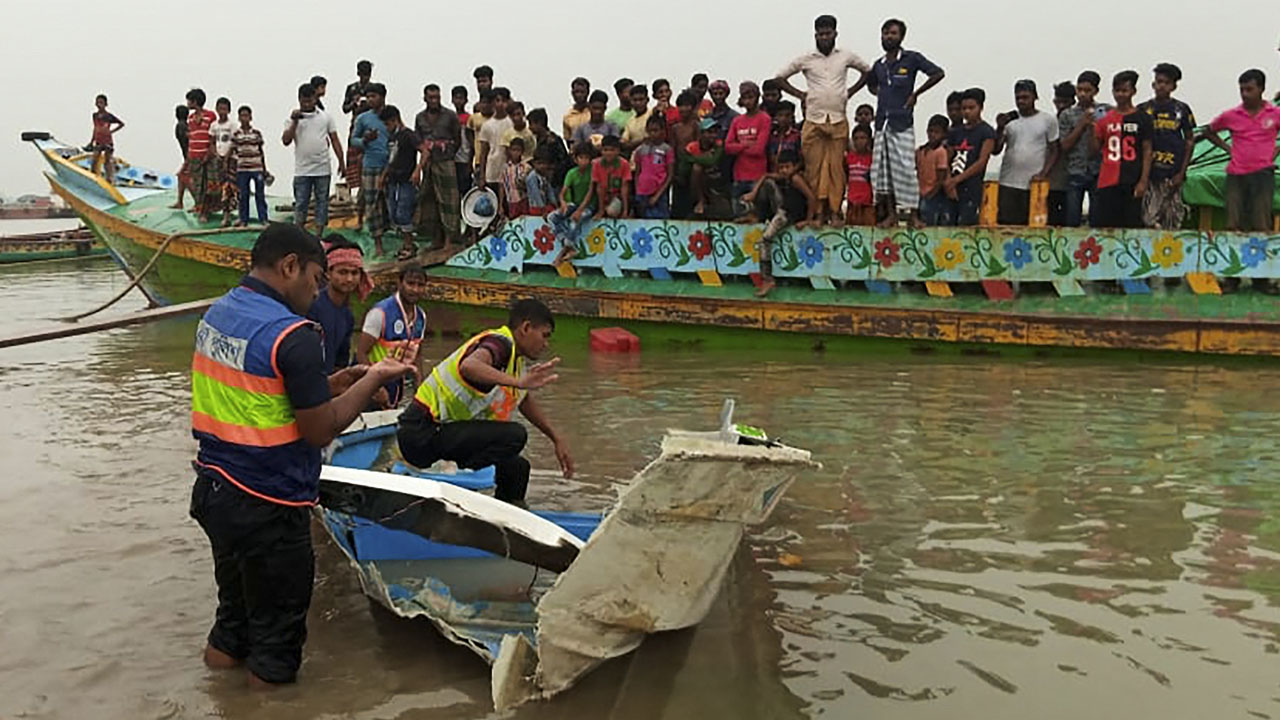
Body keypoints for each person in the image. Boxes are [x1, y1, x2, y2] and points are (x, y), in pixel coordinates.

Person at [190, 223, 414, 687]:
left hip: (215, 489)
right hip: (269, 505)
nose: (317, 292)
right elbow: (320, 430)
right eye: (315, 279)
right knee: (274, 648)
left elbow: (257, 391)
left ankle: (216, 698)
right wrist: (373, 380)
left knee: (231, 626)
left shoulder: (219, 312)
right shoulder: (293, 334)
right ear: (289, 266)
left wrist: (330, 383)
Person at [396, 298, 573, 506]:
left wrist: (556, 438)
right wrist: (518, 381)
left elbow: (524, 401)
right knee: (515, 435)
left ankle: (507, 514)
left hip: (441, 433)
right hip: (421, 433)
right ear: (526, 328)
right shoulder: (500, 344)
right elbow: (469, 366)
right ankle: (457, 470)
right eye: (544, 336)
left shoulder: (515, 360)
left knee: (518, 466)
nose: (546, 344)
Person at [776, 14, 871, 226]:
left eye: (828, 33)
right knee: (814, 169)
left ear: (835, 34)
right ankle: (817, 214)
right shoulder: (806, 58)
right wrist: (802, 95)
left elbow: (867, 71)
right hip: (814, 119)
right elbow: (779, 78)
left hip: (838, 118)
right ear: (815, 35)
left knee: (836, 168)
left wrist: (850, 92)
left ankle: (835, 212)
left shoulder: (845, 56)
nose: (824, 38)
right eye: (820, 34)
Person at [861, 18, 944, 228]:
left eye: (893, 33)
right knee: (884, 170)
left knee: (907, 168)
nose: (888, 36)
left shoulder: (911, 58)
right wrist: (881, 95)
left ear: (901, 36)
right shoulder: (878, 65)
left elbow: (937, 73)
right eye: (885, 33)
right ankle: (891, 215)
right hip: (882, 123)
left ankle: (914, 215)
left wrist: (916, 94)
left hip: (902, 121)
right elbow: (871, 84)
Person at [1205, 69, 1280, 232]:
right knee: (1233, 222)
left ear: (1261, 89)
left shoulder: (1275, 114)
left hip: (1263, 172)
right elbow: (1209, 131)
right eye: (1242, 90)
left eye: (1249, 89)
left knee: (1261, 222)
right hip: (1236, 173)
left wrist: (1274, 153)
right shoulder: (1231, 115)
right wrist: (1228, 149)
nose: (1245, 94)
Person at [742, 150, 817, 296]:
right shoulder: (787, 177)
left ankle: (767, 279)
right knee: (768, 183)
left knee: (764, 241)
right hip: (783, 211)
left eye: (787, 167)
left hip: (787, 215)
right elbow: (766, 176)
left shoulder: (796, 178)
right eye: (781, 167)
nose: (783, 171)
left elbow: (811, 198)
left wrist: (808, 220)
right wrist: (753, 193)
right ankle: (759, 216)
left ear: (794, 167)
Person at [357, 266, 428, 408]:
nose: (415, 289)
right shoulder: (380, 312)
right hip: (368, 382)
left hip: (396, 383)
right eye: (410, 283)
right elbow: (361, 353)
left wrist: (419, 386)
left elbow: (417, 355)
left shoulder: (421, 317)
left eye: (420, 285)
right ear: (400, 283)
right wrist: (375, 387)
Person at [1090, 70, 1153, 229]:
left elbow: (1147, 150)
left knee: (1131, 225)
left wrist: (1143, 181)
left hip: (1132, 177)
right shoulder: (1104, 119)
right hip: (1108, 179)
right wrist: (1091, 128)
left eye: (1124, 91)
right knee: (1106, 225)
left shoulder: (1143, 118)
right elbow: (1094, 150)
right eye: (1117, 91)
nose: (1121, 95)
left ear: (1133, 92)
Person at [1138, 63, 1197, 229]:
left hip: (1173, 174)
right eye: (1158, 81)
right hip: (1150, 174)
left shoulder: (1182, 110)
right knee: (1148, 218)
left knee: (1172, 220)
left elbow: (1190, 140)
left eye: (1166, 82)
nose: (1161, 86)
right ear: (1153, 84)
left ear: (1173, 86)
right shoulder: (1143, 109)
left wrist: (1182, 172)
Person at [994, 80, 1060, 226]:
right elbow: (996, 150)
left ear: (1035, 97)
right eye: (1018, 98)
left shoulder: (1047, 120)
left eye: (1025, 97)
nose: (1021, 101)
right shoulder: (1010, 120)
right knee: (1007, 224)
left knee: (1032, 225)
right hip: (1008, 181)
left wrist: (1043, 174)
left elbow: (1055, 150)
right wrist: (999, 128)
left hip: (1033, 183)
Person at [283, 83, 346, 233]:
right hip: (302, 170)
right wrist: (294, 122)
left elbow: (335, 140)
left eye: (309, 100)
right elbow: (286, 140)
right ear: (299, 99)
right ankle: (299, 233)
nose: (306, 104)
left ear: (314, 99)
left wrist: (342, 162)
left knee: (322, 202)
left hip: (322, 167)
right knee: (301, 203)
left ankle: (319, 234)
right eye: (303, 101)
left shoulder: (325, 117)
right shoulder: (292, 119)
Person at [306, 237, 372, 375]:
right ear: (328, 273)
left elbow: (340, 362)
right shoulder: (312, 306)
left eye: (354, 273)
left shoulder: (348, 315)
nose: (349, 279)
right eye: (342, 272)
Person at [412, 84, 462, 251]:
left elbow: (457, 139)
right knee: (430, 201)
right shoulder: (419, 118)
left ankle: (449, 240)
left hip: (446, 162)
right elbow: (418, 140)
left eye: (437, 98)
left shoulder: (450, 116)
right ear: (425, 98)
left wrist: (448, 152)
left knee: (449, 202)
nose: (434, 101)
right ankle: (436, 240)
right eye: (431, 98)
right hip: (428, 163)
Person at [1059, 70, 1112, 226]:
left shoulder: (1106, 111)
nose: (1082, 94)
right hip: (1075, 170)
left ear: (1095, 91)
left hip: (1099, 170)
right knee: (1072, 216)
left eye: (1087, 90)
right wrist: (1082, 125)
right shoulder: (1068, 115)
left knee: (1098, 217)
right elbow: (1065, 146)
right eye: (1079, 90)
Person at [944, 88, 996, 226]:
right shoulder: (955, 132)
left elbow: (982, 161)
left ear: (980, 107)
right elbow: (947, 158)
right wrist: (949, 182)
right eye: (964, 108)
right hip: (952, 188)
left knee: (966, 225)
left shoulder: (986, 132)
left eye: (971, 108)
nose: (967, 112)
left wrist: (957, 180)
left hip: (971, 188)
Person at [351, 83, 390, 252]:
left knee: (390, 204)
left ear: (382, 97)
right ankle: (378, 244)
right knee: (372, 206)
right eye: (369, 96)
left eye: (374, 96)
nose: (370, 100)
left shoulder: (390, 115)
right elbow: (354, 140)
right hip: (371, 166)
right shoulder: (363, 119)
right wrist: (365, 140)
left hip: (390, 165)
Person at [382, 105, 424, 256]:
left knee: (403, 213)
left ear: (395, 120)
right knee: (393, 213)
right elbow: (391, 159)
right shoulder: (392, 137)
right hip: (393, 179)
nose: (386, 128)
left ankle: (409, 245)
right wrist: (383, 176)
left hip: (406, 179)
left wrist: (417, 171)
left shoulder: (408, 135)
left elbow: (425, 151)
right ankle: (407, 243)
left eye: (387, 124)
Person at [173, 89, 218, 221]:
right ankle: (202, 210)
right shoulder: (191, 118)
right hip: (194, 156)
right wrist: (190, 157)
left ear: (195, 101)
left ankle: (208, 209)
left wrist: (210, 151)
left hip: (208, 156)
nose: (187, 103)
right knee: (198, 185)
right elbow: (193, 137)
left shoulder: (210, 116)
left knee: (211, 185)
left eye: (189, 100)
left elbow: (212, 135)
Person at [725, 81, 772, 205]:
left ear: (757, 98)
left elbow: (758, 150)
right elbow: (728, 147)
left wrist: (739, 147)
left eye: (751, 97)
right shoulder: (737, 121)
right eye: (745, 98)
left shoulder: (764, 119)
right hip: (739, 175)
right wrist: (746, 145)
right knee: (738, 213)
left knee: (756, 214)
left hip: (757, 175)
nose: (748, 101)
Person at [548, 143, 596, 260]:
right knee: (552, 217)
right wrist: (563, 203)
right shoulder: (572, 173)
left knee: (574, 219)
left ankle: (567, 249)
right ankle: (567, 244)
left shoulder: (593, 172)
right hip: (575, 204)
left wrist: (579, 211)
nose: (584, 161)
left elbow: (590, 194)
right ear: (575, 159)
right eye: (581, 158)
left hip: (589, 206)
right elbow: (562, 193)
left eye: (586, 158)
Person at [685, 119, 732, 219]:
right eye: (709, 132)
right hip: (696, 186)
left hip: (716, 185)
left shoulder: (719, 145)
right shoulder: (692, 147)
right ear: (701, 133)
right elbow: (684, 163)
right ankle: (700, 200)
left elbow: (712, 161)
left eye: (715, 132)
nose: (713, 135)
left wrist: (695, 158)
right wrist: (703, 158)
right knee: (696, 168)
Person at [232, 105, 270, 226]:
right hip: (242, 169)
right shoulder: (236, 134)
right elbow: (233, 151)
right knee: (243, 195)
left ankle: (263, 218)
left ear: (251, 117)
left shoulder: (257, 134)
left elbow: (261, 151)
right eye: (242, 116)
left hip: (256, 167)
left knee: (260, 193)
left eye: (247, 115)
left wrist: (264, 168)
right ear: (239, 118)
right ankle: (244, 219)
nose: (244, 118)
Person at [342, 60, 375, 200]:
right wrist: (353, 102)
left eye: (367, 75)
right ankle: (352, 190)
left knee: (370, 158)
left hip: (371, 127)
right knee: (352, 160)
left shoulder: (374, 89)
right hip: (356, 127)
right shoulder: (352, 89)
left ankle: (367, 189)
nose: (364, 78)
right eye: (362, 75)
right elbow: (344, 108)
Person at [1046, 82, 1077, 226]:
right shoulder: (1051, 123)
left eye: (1065, 102)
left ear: (1072, 102)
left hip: (1070, 179)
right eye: (1058, 101)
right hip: (1052, 180)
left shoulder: (1076, 122)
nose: (1061, 105)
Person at [632, 115, 674, 219]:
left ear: (663, 131)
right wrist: (638, 190)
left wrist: (657, 195)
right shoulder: (641, 150)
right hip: (642, 193)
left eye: (656, 130)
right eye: (650, 131)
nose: (653, 134)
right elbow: (637, 172)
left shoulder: (667, 150)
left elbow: (670, 175)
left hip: (659, 193)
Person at [475, 87, 514, 195]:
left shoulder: (512, 123)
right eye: (497, 100)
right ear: (492, 103)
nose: (501, 104)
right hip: (492, 170)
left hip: (509, 170)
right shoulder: (487, 126)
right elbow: (484, 152)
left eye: (504, 101)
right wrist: (482, 176)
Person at [670, 91, 702, 218]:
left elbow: (699, 146)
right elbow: (673, 147)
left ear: (693, 108)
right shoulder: (675, 128)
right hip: (678, 167)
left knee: (691, 198)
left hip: (692, 165)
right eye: (681, 105)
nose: (684, 109)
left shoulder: (696, 126)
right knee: (678, 202)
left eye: (687, 105)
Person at [916, 114, 951, 226]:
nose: (932, 135)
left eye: (937, 132)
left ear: (944, 134)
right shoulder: (921, 151)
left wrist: (931, 194)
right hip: (921, 192)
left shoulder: (941, 152)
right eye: (930, 131)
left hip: (934, 195)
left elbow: (941, 178)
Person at [585, 135, 631, 219]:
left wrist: (625, 210)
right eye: (605, 150)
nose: (608, 153)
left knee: (612, 211)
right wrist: (601, 210)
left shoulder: (624, 164)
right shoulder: (596, 164)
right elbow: (599, 188)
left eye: (612, 150)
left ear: (618, 151)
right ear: (601, 150)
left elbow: (625, 188)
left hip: (617, 196)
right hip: (602, 197)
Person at [211, 97, 240, 227]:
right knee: (223, 188)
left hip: (231, 160)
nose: (222, 111)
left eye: (225, 109)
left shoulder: (232, 125)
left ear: (229, 110)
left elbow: (234, 143)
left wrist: (227, 157)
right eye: (220, 108)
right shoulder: (214, 125)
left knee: (233, 187)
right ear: (216, 109)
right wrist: (216, 155)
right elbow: (212, 141)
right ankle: (225, 215)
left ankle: (239, 214)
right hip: (219, 159)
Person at [528, 108, 571, 189]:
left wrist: (550, 171)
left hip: (554, 181)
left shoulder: (553, 140)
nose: (530, 127)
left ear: (540, 123)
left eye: (531, 124)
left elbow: (563, 161)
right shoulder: (537, 139)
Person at [88, 94, 123, 183]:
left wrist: (111, 131)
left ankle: (109, 180)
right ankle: (93, 177)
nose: (99, 104)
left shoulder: (108, 116)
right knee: (94, 160)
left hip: (107, 140)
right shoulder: (95, 115)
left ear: (105, 104)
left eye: (101, 103)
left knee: (108, 161)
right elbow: (95, 128)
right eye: (97, 102)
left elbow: (121, 124)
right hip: (98, 140)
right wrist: (92, 141)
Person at [845, 124, 875, 225]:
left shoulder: (873, 159)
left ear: (869, 140)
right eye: (856, 138)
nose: (859, 141)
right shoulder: (848, 158)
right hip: (852, 203)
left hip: (868, 204)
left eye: (863, 138)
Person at [500, 101, 538, 175]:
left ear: (523, 114)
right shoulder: (507, 134)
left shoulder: (530, 133)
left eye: (518, 114)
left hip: (529, 167)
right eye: (513, 115)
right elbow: (507, 155)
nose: (516, 118)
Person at [467, 89, 495, 186]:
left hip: (494, 160)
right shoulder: (474, 118)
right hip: (479, 159)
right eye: (483, 102)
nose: (485, 105)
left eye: (488, 103)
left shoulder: (497, 119)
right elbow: (469, 133)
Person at [500, 137, 532, 218]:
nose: (515, 153)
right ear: (509, 151)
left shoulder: (526, 167)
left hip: (524, 200)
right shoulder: (505, 168)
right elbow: (502, 186)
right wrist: (500, 205)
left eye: (518, 150)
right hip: (511, 201)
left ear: (522, 151)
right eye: (513, 150)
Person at [452, 85, 475, 196]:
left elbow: (471, 142)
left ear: (466, 100)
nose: (458, 101)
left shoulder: (469, 118)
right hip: (453, 159)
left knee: (465, 189)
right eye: (456, 98)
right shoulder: (450, 118)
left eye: (461, 98)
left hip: (465, 159)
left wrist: (470, 161)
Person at [767, 100, 802, 172]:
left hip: (791, 175)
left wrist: (792, 171)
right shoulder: (771, 136)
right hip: (774, 174)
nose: (783, 119)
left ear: (792, 117)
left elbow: (802, 160)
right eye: (780, 115)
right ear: (775, 117)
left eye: (787, 115)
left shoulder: (797, 136)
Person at [620, 83, 655, 153]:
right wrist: (642, 141)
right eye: (635, 100)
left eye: (641, 99)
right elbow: (624, 144)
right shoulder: (630, 122)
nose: (638, 103)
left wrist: (634, 143)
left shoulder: (653, 115)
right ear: (630, 101)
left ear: (647, 100)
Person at [526, 150, 557, 217]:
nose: (542, 166)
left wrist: (554, 203)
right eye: (539, 163)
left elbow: (549, 190)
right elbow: (536, 194)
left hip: (545, 205)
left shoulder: (545, 174)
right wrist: (542, 209)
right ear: (534, 163)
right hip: (536, 207)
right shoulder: (532, 177)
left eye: (544, 163)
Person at [175, 104, 191, 209]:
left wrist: (187, 161)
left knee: (185, 178)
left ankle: (198, 203)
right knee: (182, 178)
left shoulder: (181, 126)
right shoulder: (186, 125)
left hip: (189, 157)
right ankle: (179, 202)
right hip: (187, 156)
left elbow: (188, 143)